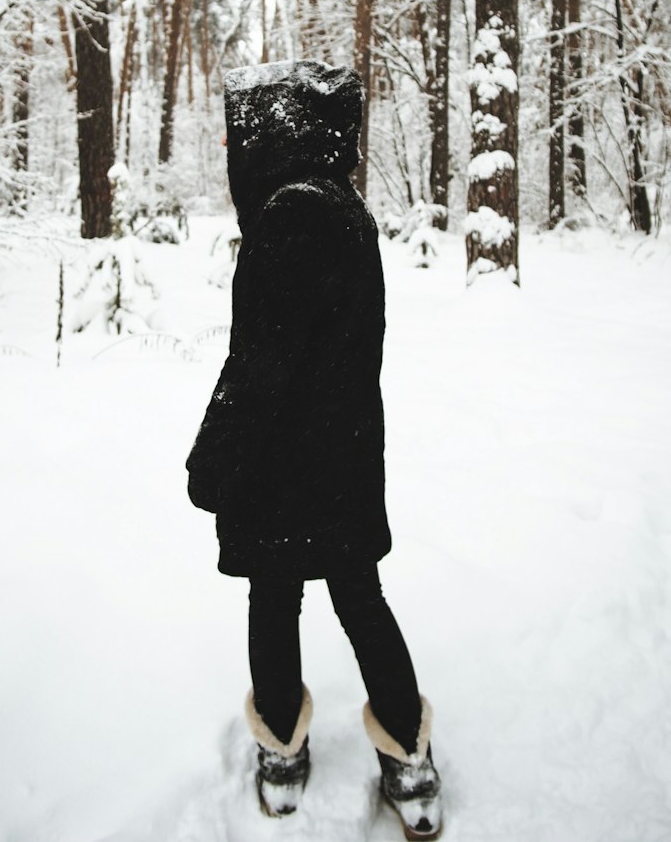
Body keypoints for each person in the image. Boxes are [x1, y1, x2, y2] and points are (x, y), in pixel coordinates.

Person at [186, 59, 443, 841]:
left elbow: (262, 361)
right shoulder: (343, 207)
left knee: (277, 594)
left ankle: (284, 753)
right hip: (345, 453)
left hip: (287, 460)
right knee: (357, 596)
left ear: (267, 134)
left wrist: (215, 453)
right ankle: (407, 756)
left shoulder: (288, 216)